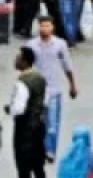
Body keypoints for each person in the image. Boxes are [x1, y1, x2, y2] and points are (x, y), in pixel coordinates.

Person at [26, 16, 77, 161]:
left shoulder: (60, 45)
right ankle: (39, 149)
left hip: (54, 90)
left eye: (48, 26)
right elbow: (26, 67)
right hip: (36, 90)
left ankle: (50, 151)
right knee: (36, 122)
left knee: (53, 123)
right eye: (42, 26)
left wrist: (73, 85)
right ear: (38, 27)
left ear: (52, 27)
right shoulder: (31, 45)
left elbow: (67, 66)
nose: (45, 29)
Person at [8, 46, 49, 178]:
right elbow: (44, 101)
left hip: (24, 127)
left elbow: (18, 108)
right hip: (39, 124)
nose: (15, 60)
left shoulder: (22, 82)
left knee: (23, 165)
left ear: (25, 61)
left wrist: (9, 110)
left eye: (18, 57)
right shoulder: (40, 78)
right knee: (38, 164)